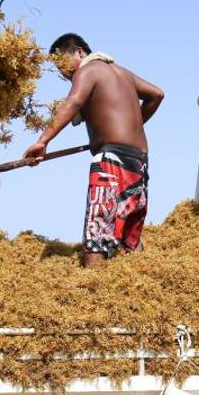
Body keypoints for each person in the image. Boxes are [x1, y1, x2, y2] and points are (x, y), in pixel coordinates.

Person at [23, 33, 164, 267]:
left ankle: (92, 290)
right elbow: (157, 95)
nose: (66, 74)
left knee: (97, 230)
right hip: (139, 162)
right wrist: (130, 125)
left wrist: (43, 141)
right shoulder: (122, 73)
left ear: (79, 52)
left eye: (64, 64)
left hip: (112, 161)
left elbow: (74, 102)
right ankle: (142, 280)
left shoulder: (88, 70)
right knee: (130, 234)